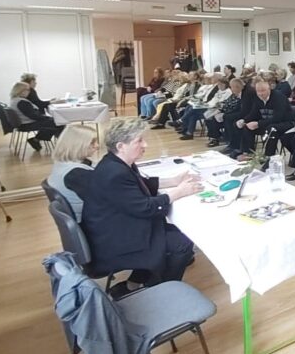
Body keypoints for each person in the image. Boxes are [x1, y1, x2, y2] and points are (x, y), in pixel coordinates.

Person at [78, 117, 203, 295]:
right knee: (182, 244)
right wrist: (179, 192)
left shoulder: (114, 163)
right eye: (139, 141)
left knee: (172, 234)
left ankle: (135, 283)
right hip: (114, 240)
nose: (145, 145)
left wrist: (174, 181)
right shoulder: (115, 173)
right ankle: (161, 290)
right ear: (121, 146)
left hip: (114, 227)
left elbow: (141, 185)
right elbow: (146, 208)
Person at [46, 125, 98, 222]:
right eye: (92, 142)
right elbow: (104, 198)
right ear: (78, 145)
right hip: (90, 221)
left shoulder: (62, 164)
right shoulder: (76, 174)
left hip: (85, 217)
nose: (97, 146)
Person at [231, 80, 291, 159]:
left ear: (269, 89)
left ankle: (268, 156)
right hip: (266, 123)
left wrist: (258, 124)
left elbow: (278, 118)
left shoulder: (279, 97)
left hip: (284, 123)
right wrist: (244, 120)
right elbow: (254, 113)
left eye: (263, 91)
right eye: (258, 91)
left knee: (272, 129)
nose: (260, 93)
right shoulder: (257, 98)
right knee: (247, 127)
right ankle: (248, 153)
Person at [9, 81, 63, 151]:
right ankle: (61, 143)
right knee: (58, 122)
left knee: (55, 122)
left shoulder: (14, 100)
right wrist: (46, 117)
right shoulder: (22, 102)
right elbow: (33, 116)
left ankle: (37, 140)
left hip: (24, 123)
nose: (29, 92)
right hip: (27, 124)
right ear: (21, 91)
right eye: (28, 90)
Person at [203, 78, 244, 146]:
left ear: (237, 87)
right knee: (210, 117)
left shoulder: (241, 95)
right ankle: (216, 137)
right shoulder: (233, 94)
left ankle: (228, 141)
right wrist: (220, 110)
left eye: (232, 87)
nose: (231, 89)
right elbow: (226, 102)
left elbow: (235, 108)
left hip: (232, 113)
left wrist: (223, 113)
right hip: (225, 111)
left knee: (226, 118)